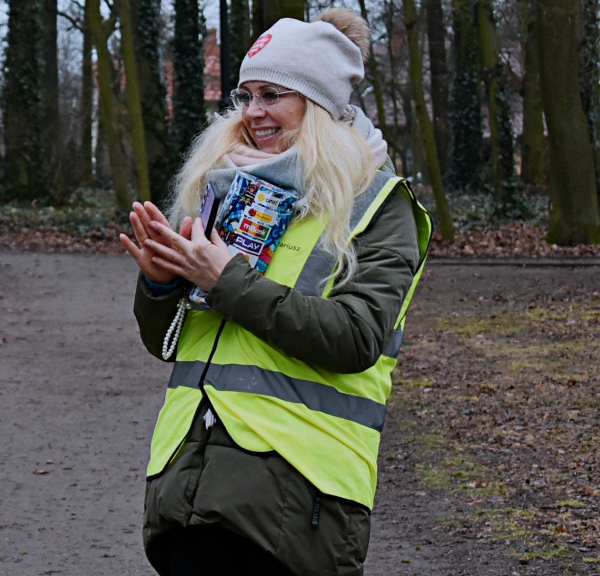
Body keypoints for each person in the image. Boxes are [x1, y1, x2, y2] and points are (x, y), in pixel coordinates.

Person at [119, 9, 432, 576]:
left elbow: (357, 338)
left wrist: (224, 279)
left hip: (297, 496)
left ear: (317, 104)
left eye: (271, 95)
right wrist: (160, 284)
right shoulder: (225, 191)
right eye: (245, 95)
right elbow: (171, 345)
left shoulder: (378, 206)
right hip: (190, 485)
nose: (252, 113)